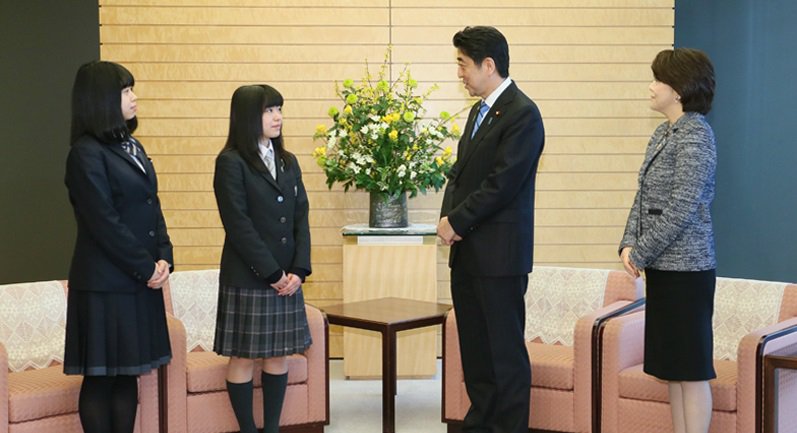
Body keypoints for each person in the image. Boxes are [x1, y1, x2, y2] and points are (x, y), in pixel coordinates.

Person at [437, 26, 545, 433]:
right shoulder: (478, 111)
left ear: (488, 64)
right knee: (477, 354)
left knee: (504, 356)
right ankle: (480, 424)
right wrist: (449, 222)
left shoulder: (522, 114)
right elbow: (461, 175)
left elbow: (502, 184)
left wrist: (457, 221)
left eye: (463, 65)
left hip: (499, 257)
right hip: (468, 253)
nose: (459, 73)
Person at [64, 60, 173, 433]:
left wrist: (164, 256)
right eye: (126, 91)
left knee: (128, 373)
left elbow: (151, 205)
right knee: (101, 379)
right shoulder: (85, 153)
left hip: (137, 281)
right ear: (102, 99)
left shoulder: (131, 145)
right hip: (104, 285)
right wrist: (146, 268)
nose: (134, 97)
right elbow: (103, 222)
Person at [619, 48, 717, 433]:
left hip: (687, 271)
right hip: (663, 268)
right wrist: (628, 242)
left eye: (658, 80)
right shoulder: (663, 132)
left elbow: (682, 207)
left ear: (678, 89)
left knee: (691, 371)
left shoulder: (696, 134)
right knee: (674, 370)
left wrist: (641, 251)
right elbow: (643, 196)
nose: (651, 86)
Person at [212, 84, 312, 433]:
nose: (277, 117)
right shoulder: (231, 162)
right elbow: (238, 225)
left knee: (278, 354)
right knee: (242, 356)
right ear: (247, 117)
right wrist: (272, 273)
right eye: (268, 110)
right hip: (249, 276)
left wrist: (299, 269)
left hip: (287, 277)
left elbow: (301, 216)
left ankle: (271, 428)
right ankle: (247, 429)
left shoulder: (288, 160)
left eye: (279, 109)